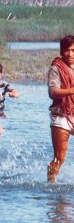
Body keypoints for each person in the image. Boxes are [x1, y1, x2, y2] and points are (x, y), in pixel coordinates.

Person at [47, 35, 74, 183]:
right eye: (67, 50)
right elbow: (53, 92)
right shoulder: (56, 68)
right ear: (62, 51)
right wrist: (71, 90)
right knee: (60, 157)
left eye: (73, 50)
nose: (70, 54)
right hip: (61, 115)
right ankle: (51, 184)